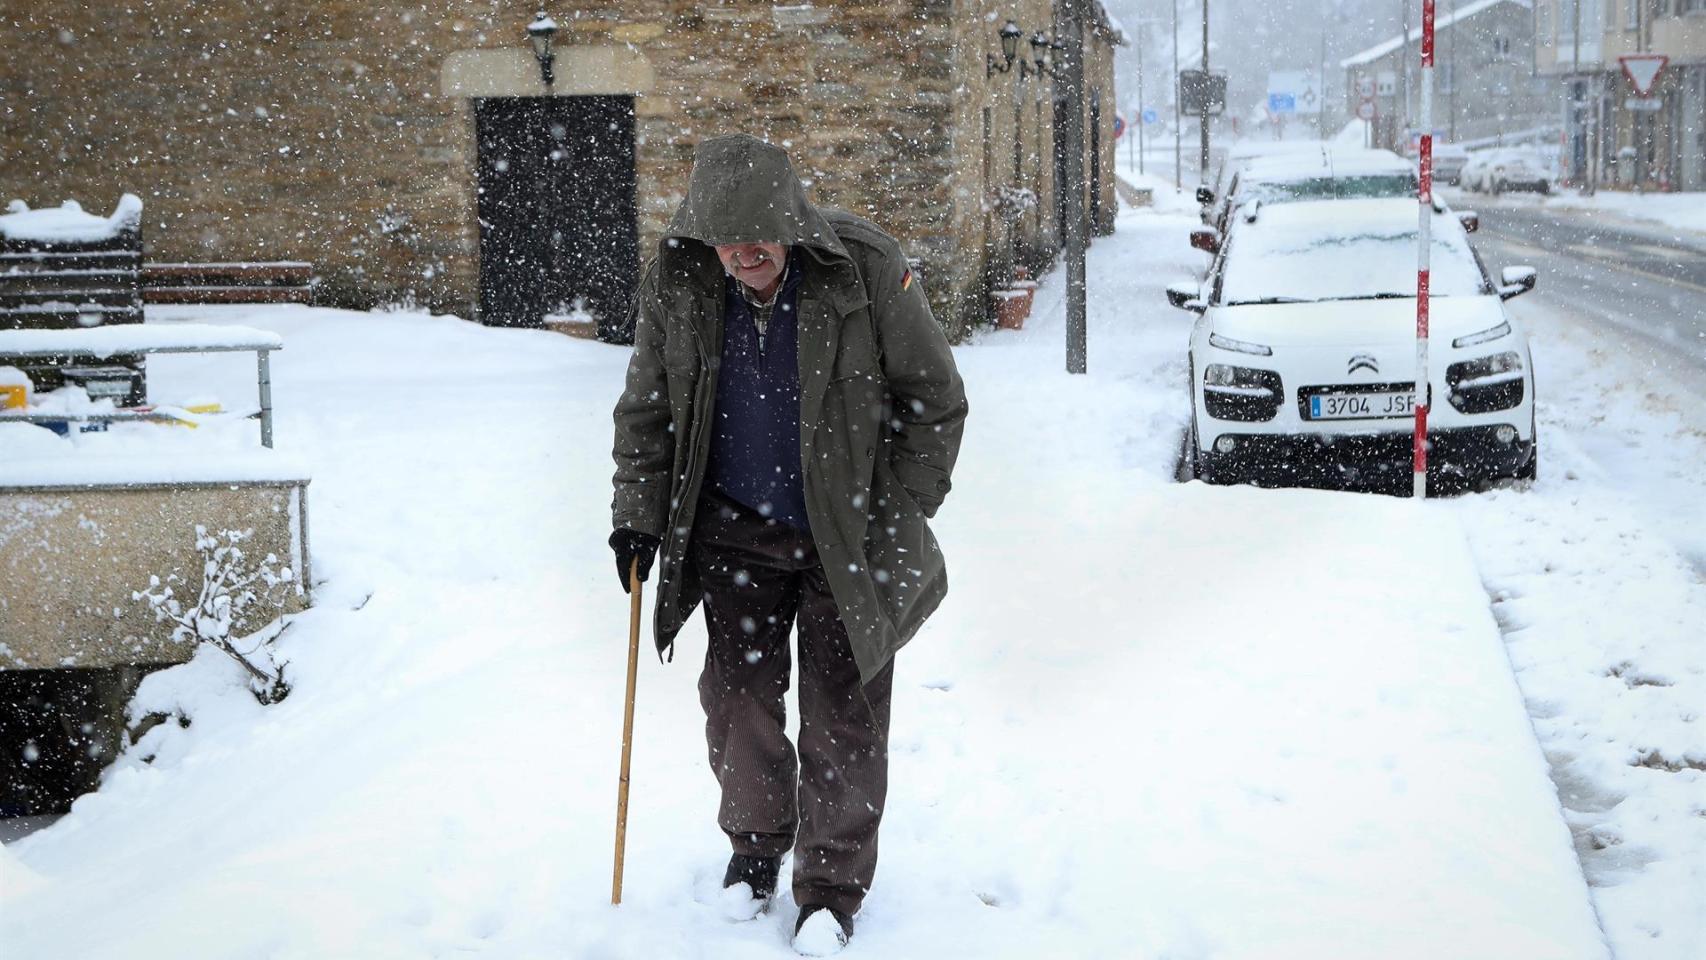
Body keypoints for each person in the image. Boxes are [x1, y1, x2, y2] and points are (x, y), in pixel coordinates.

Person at [609, 133, 967, 955]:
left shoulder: (864, 267)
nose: (744, 253)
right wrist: (639, 513)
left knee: (844, 716)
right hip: (733, 528)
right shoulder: (680, 280)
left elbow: (934, 396)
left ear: (793, 223)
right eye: (727, 240)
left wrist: (901, 509)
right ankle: (756, 847)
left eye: (760, 237)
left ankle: (832, 887)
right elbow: (648, 409)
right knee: (737, 704)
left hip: (848, 537)